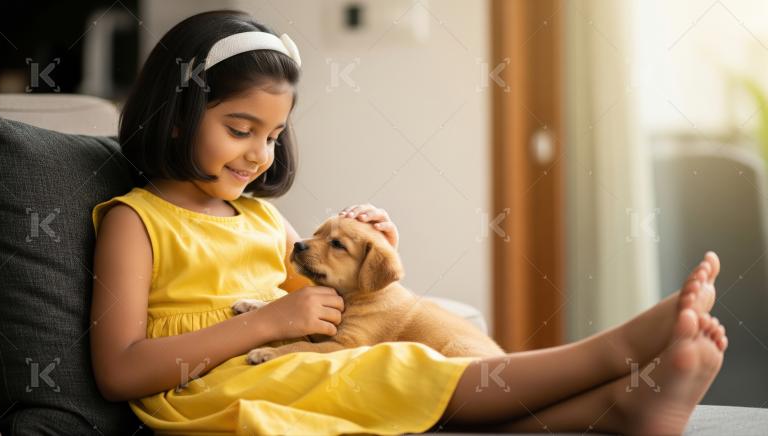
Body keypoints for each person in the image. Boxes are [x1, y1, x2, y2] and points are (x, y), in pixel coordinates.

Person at [90, 9, 727, 435]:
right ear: (176, 115)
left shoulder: (259, 216)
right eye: (239, 130)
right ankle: (610, 353)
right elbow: (119, 371)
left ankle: (616, 409)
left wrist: (370, 255)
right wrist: (268, 322)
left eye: (275, 135)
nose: (260, 154)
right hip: (216, 394)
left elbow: (324, 298)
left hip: (284, 365)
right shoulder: (136, 220)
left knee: (400, 366)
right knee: (392, 366)